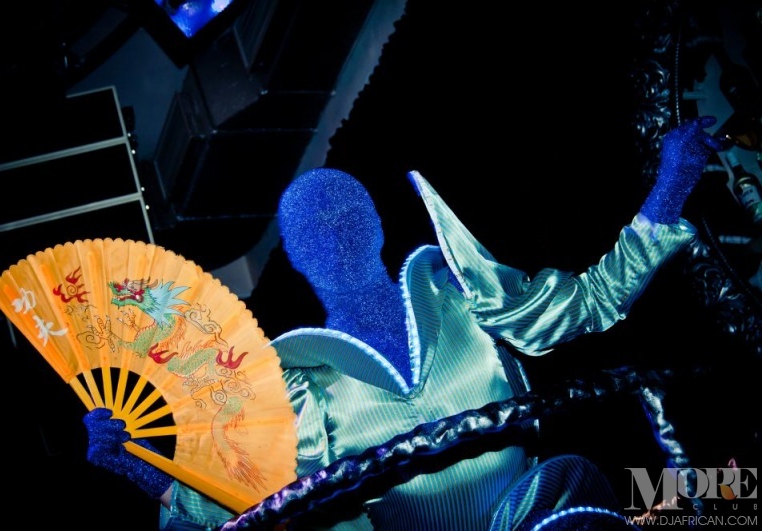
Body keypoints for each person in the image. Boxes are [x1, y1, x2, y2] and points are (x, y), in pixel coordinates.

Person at [84, 116, 725, 530]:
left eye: (346, 213)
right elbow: (232, 501)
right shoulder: (300, 388)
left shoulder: (460, 293)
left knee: (728, 497)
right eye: (313, 233)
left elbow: (585, 303)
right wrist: (132, 462)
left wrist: (669, 186)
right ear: (299, 262)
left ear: (376, 223)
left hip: (541, 515)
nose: (334, 233)